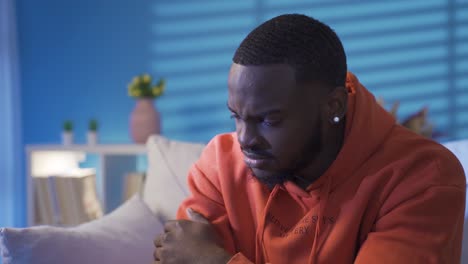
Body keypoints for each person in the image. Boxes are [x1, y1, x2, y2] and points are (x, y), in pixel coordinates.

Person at [153, 14, 466, 264]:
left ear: (334, 106)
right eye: (236, 116)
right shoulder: (220, 165)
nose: (244, 139)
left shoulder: (422, 177)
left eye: (268, 119)